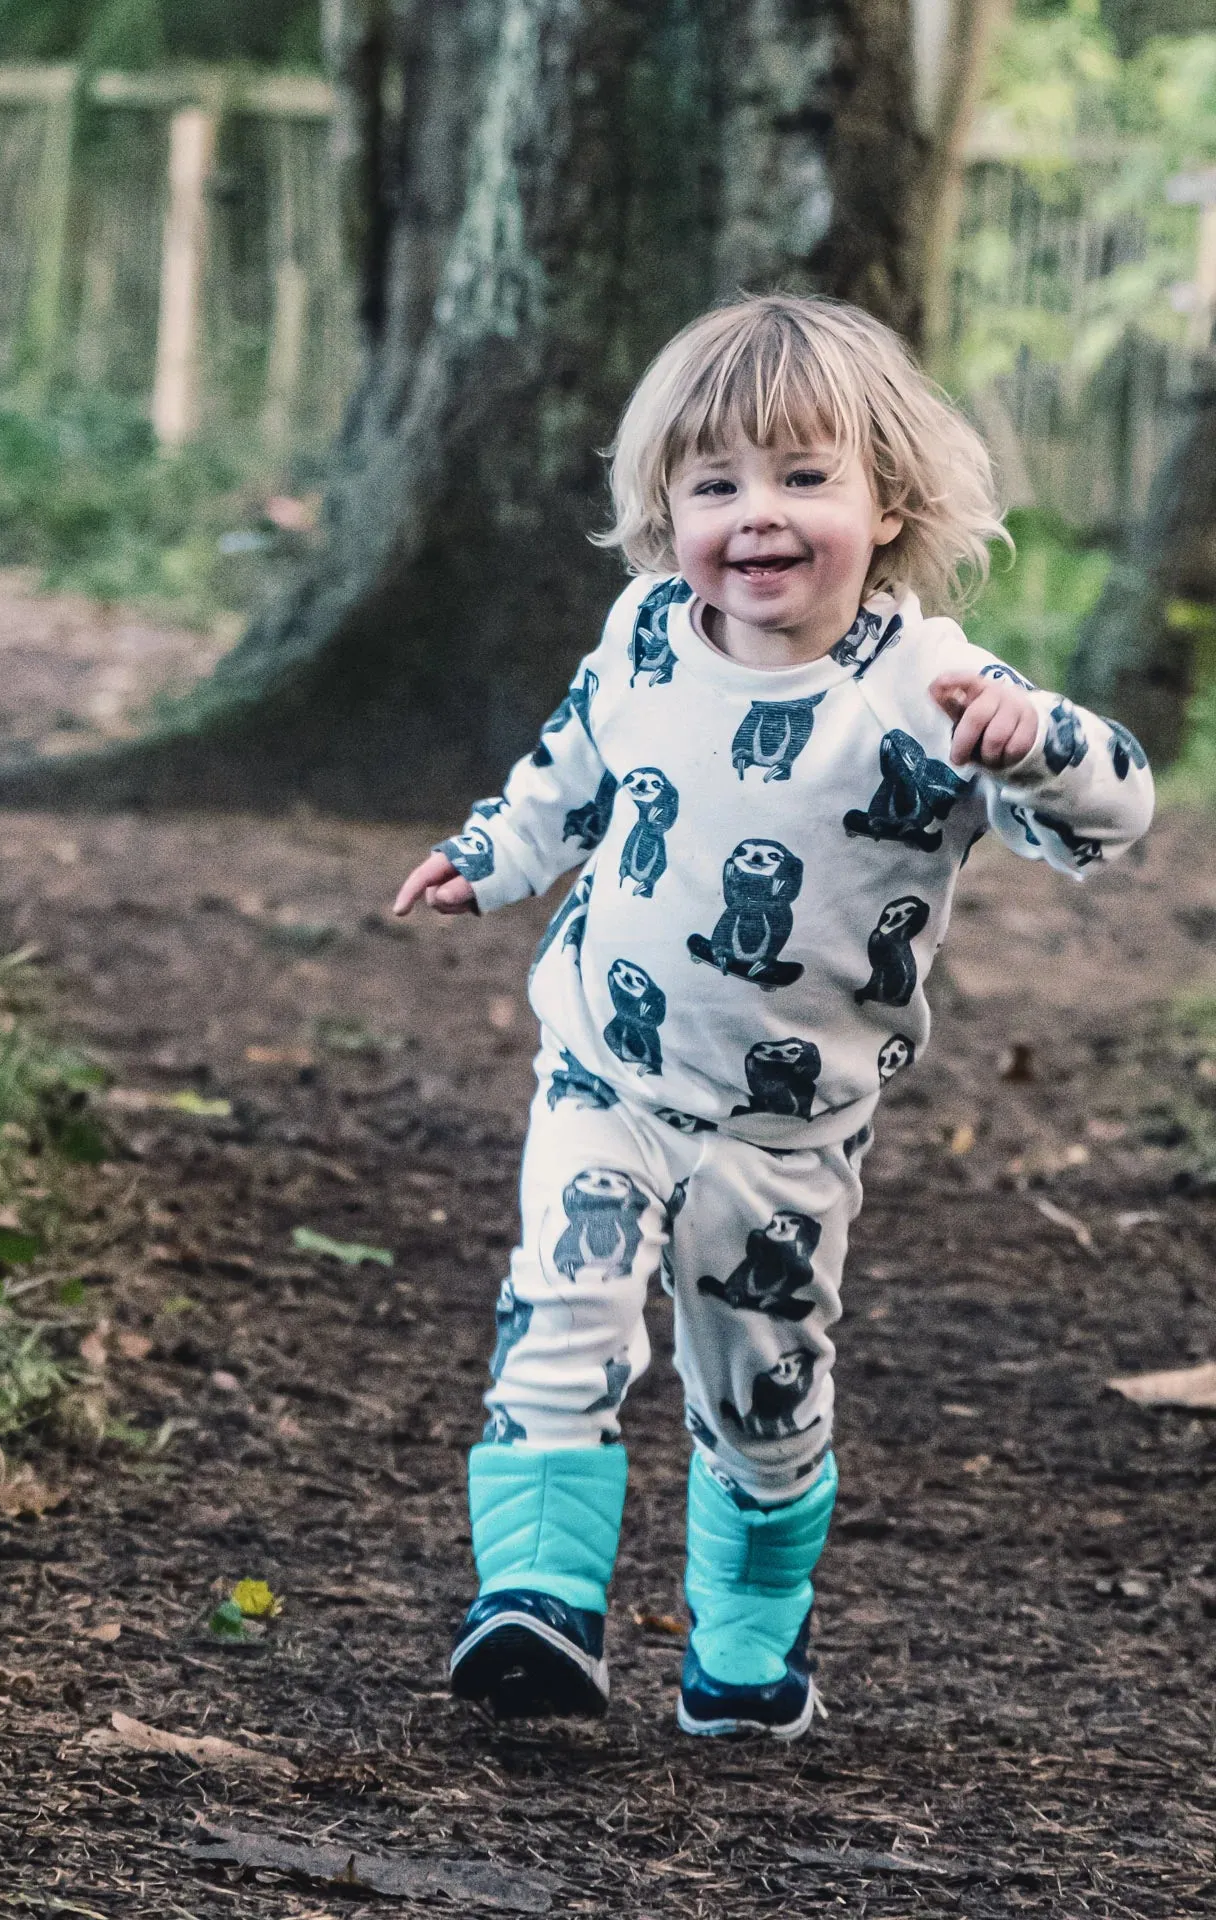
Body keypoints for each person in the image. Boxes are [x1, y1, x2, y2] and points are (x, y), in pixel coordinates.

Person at [392, 294, 1154, 1741]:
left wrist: (1037, 742)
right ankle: (538, 1606)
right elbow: (570, 769)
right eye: (716, 484)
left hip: (786, 1133)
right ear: (663, 508)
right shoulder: (645, 637)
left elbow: (1117, 809)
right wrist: (491, 856)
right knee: (561, 1312)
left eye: (806, 479)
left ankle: (747, 1640)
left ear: (889, 503)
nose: (759, 517)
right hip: (606, 1070)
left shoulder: (934, 687)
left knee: (763, 1403)